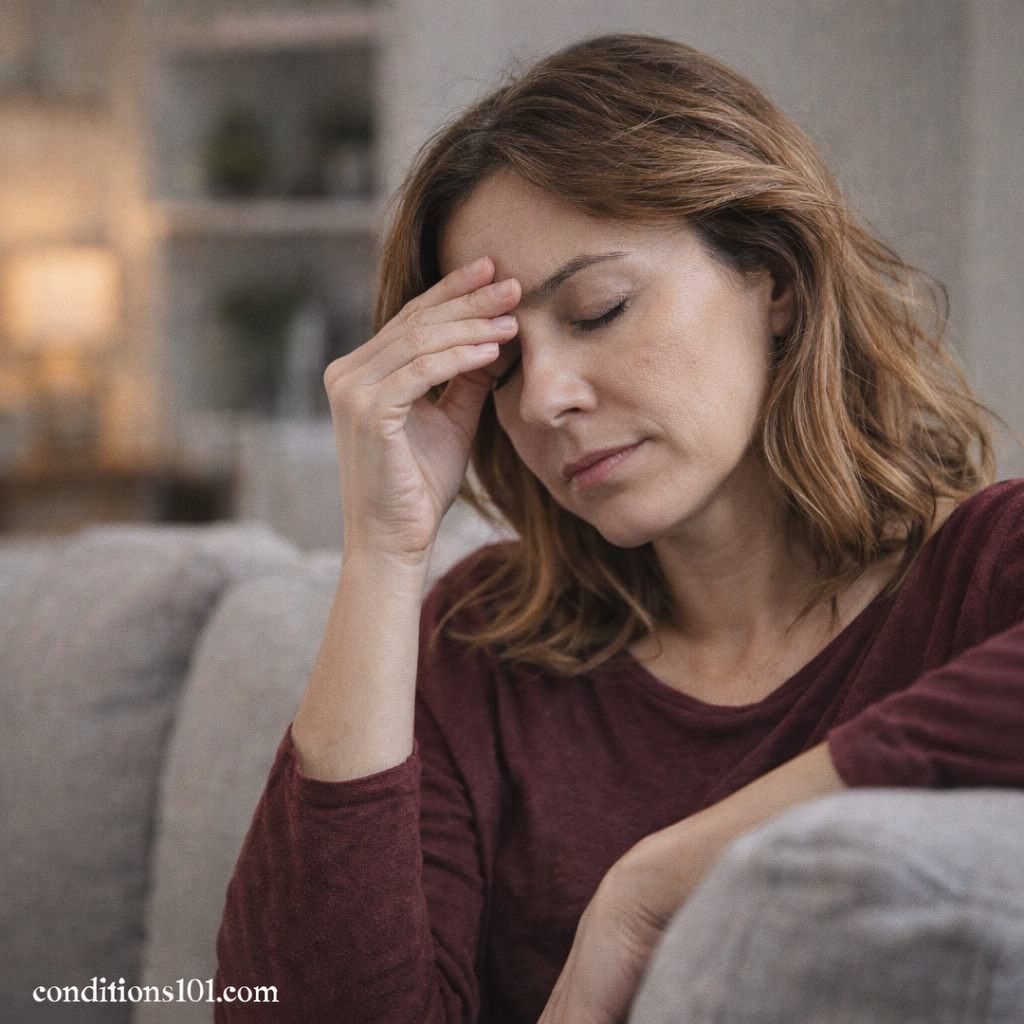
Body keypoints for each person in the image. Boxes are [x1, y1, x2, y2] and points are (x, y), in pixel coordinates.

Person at [215, 34, 1024, 1024]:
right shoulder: (479, 647)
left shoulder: (985, 571)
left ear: (772, 279)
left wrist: (657, 883)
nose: (544, 398)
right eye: (499, 367)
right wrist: (383, 555)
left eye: (597, 310)